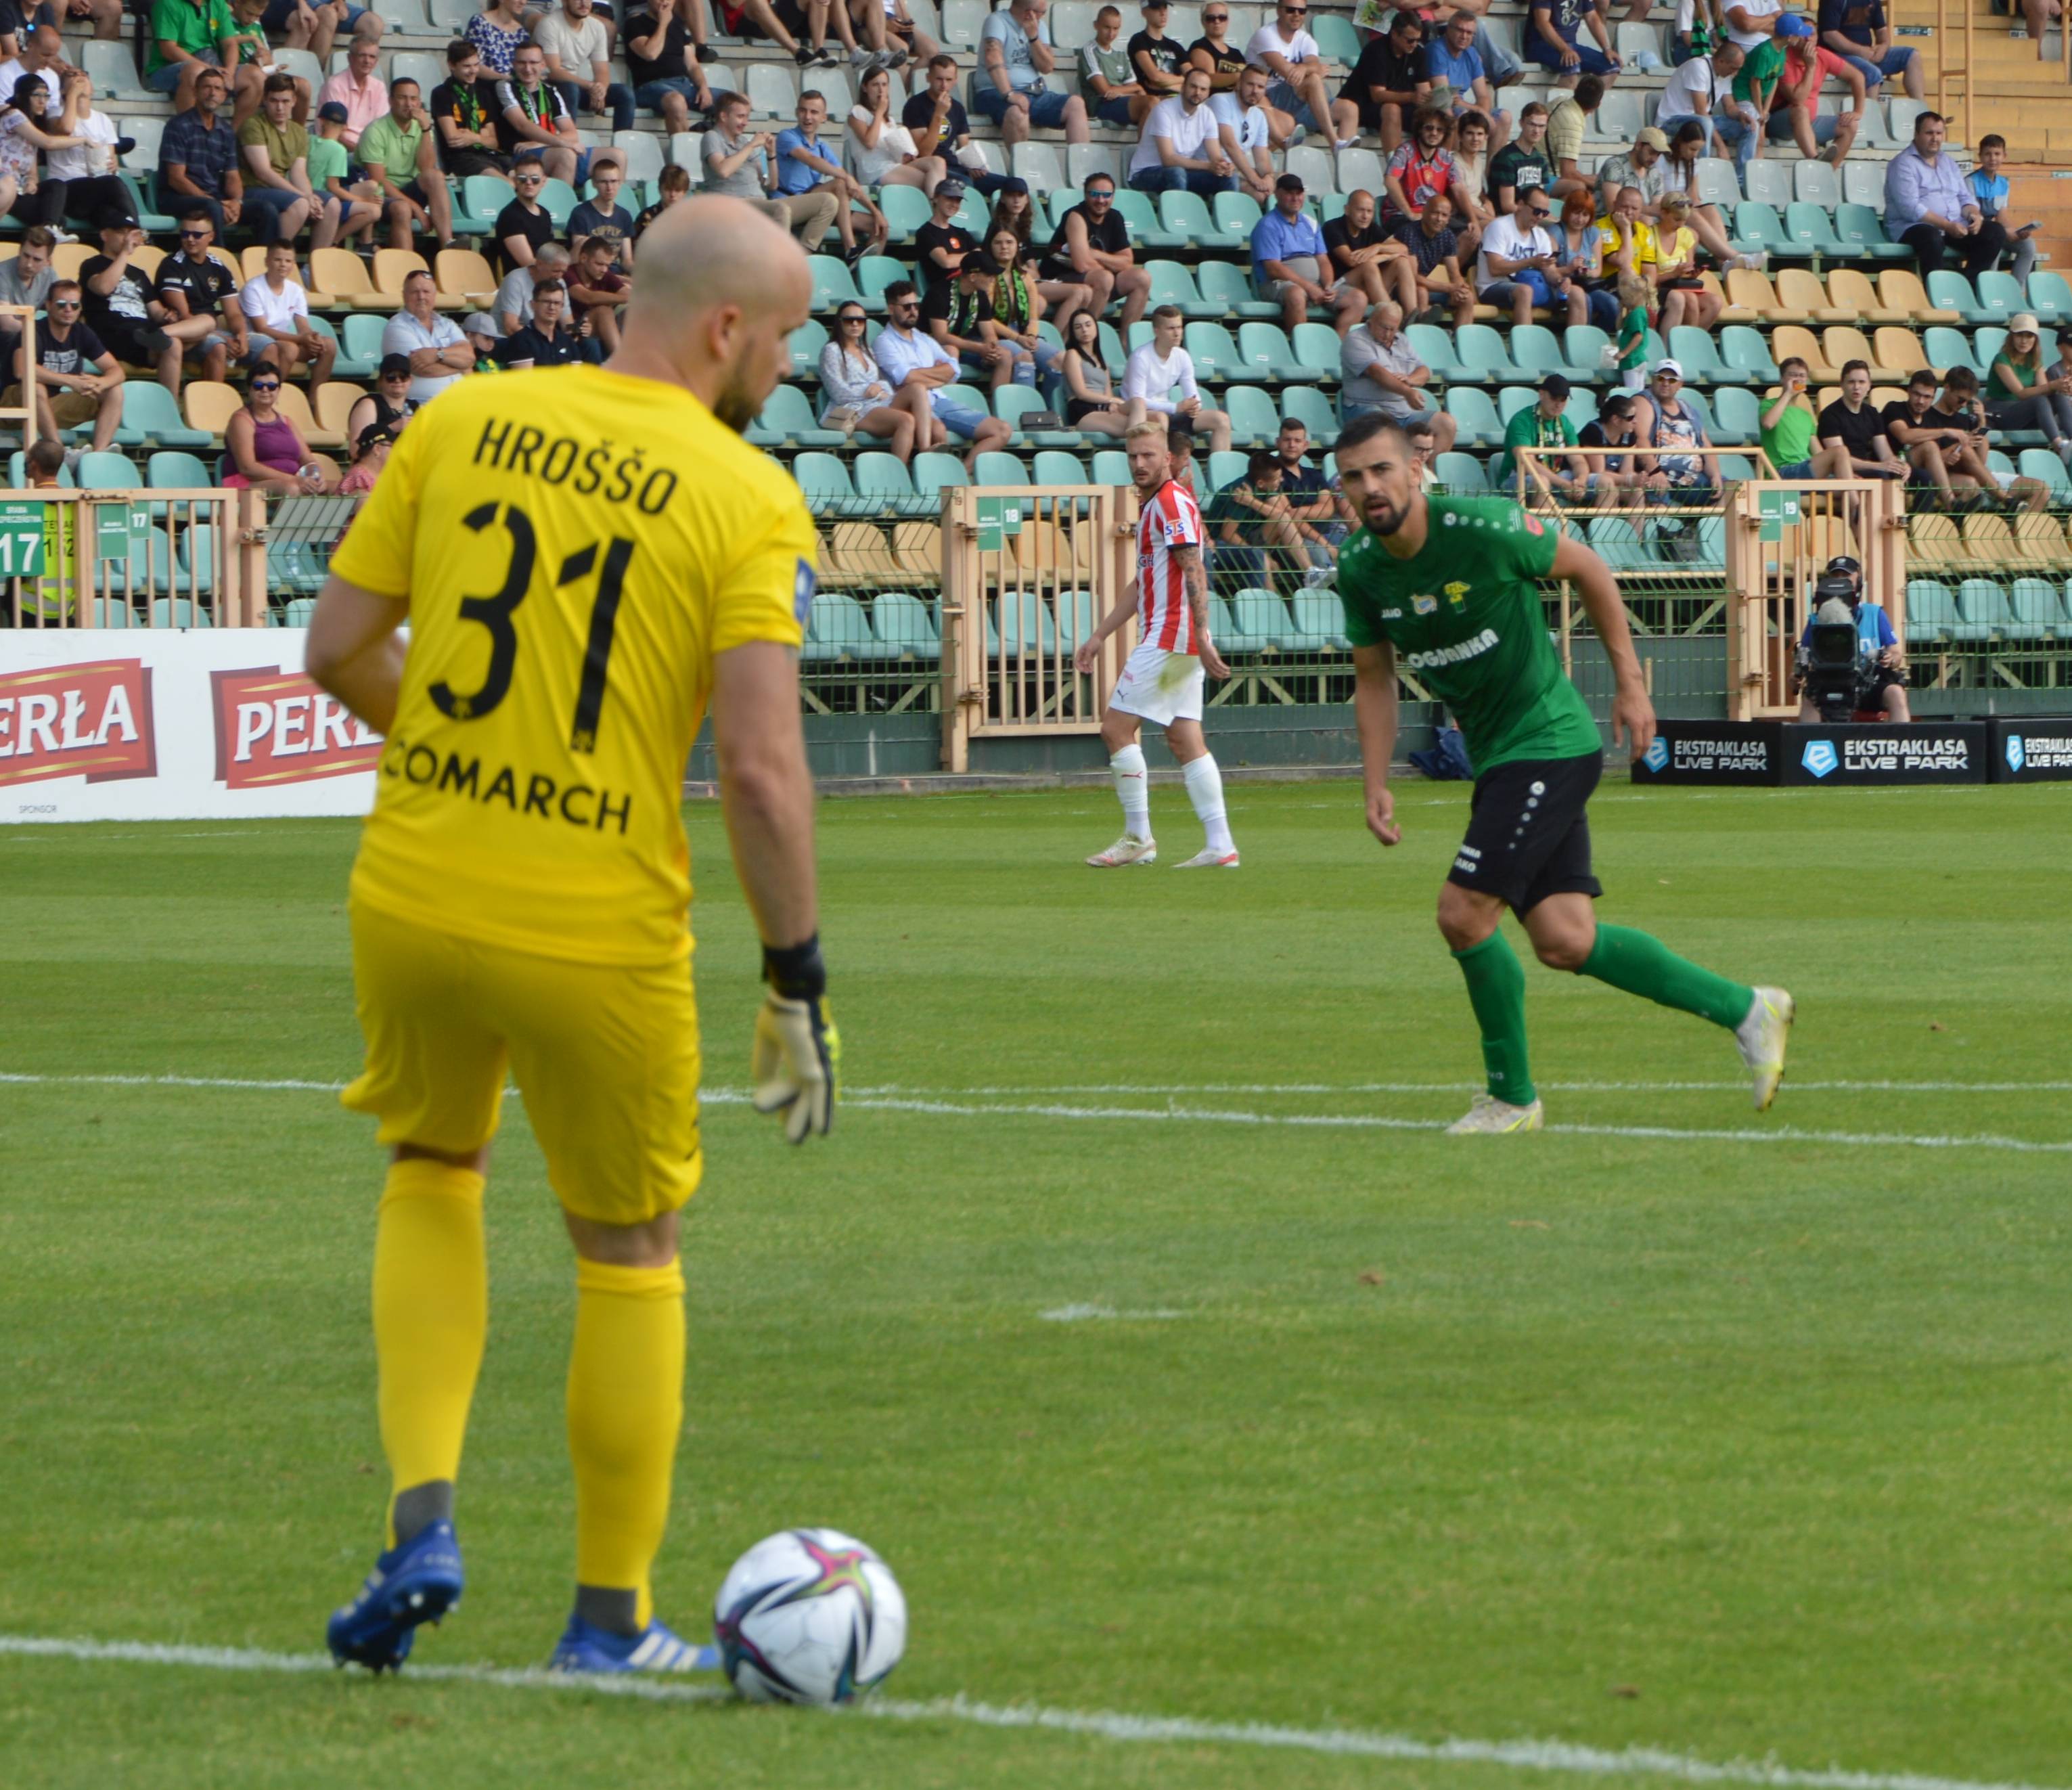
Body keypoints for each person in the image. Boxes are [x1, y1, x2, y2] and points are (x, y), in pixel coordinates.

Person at [307, 192, 836, 1683]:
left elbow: (334, 646)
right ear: (726, 328)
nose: (784, 368)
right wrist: (794, 975)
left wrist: (457, 760)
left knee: (431, 1166)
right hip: (592, 919)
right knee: (630, 1247)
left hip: (411, 887)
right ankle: (611, 1616)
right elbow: (758, 769)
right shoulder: (744, 494)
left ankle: (421, 1518)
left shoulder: (461, 416)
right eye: (784, 338)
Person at [1334, 411, 1792, 1136]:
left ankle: (1511, 1098)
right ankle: (1748, 1008)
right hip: (1501, 758)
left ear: (1414, 470)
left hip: (1547, 741)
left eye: (1381, 469)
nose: (1369, 486)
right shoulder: (1359, 568)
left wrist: (1631, 683)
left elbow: (1587, 567)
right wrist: (1373, 780)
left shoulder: (1482, 528)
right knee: (1564, 938)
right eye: (1353, 476)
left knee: (1461, 913)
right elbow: (1372, 675)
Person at [1073, 419, 1238, 869]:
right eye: (1133, 456)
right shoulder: (1154, 506)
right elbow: (1144, 581)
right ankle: (1220, 844)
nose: (1140, 464)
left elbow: (1195, 568)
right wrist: (1101, 634)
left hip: (1171, 637)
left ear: (1169, 458)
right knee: (1184, 738)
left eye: (1149, 455)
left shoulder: (1169, 502)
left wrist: (1201, 635)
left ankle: (1138, 837)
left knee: (1115, 729)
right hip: (1173, 636)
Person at [871, 277, 1013, 469]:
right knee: (938, 432)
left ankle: (963, 473)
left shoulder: (923, 338)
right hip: (911, 406)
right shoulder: (884, 341)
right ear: (891, 308)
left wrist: (927, 376)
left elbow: (954, 370)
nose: (913, 311)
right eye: (906, 307)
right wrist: (938, 375)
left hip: (941, 400)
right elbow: (906, 378)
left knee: (1002, 430)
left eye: (916, 305)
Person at [82, 217, 205, 397]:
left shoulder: (138, 273)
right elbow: (103, 288)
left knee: (206, 322)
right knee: (174, 344)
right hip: (114, 333)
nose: (126, 238)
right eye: (120, 232)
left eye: (129, 233)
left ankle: (162, 335)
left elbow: (156, 312)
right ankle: (167, 409)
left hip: (146, 333)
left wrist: (167, 316)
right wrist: (125, 253)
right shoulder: (92, 265)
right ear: (104, 235)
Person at [1886, 110, 2006, 280]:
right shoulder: (1903, 164)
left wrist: (1975, 215)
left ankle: (1968, 284)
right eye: (1929, 133)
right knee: (1931, 237)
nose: (1935, 138)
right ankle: (1937, 291)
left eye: (1939, 133)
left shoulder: (1948, 162)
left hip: (1953, 226)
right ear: (1917, 134)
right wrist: (1946, 225)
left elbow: (1965, 197)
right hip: (1914, 227)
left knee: (1995, 231)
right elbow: (1910, 208)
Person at [7, 277, 121, 453]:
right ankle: (60, 453)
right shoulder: (33, 330)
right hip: (15, 404)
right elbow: (22, 371)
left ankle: (97, 456)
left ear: (80, 308)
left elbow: (117, 371)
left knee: (114, 391)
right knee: (36, 388)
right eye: (61, 304)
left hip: (51, 406)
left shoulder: (82, 332)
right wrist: (71, 381)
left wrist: (101, 383)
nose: (68, 309)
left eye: (74, 305)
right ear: (49, 305)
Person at [1794, 556, 1909, 721]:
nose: (1841, 581)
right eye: (1836, 576)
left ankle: (1900, 743)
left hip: (1867, 682)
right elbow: (1803, 654)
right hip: (1829, 682)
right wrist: (1796, 676)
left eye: (1846, 576)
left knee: (1896, 693)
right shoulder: (1815, 620)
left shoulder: (1874, 613)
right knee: (1809, 698)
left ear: (1859, 582)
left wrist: (1891, 659)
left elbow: (1895, 652)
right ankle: (1809, 745)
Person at [1036, 172, 1151, 333]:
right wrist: (1111, 264)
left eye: (1106, 195)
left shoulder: (1115, 217)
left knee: (1142, 278)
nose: (1101, 200)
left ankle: (1126, 342)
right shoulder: (1075, 216)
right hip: (1059, 278)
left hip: (1095, 278)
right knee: (1105, 278)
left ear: (1113, 196)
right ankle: (1086, 338)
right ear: (1085, 195)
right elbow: (1082, 265)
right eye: (1095, 194)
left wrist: (1096, 254)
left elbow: (1127, 261)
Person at [496, 41, 619, 190]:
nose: (528, 69)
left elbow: (572, 134)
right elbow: (522, 125)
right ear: (514, 64)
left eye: (533, 63)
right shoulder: (505, 86)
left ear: (543, 65)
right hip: (520, 154)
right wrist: (560, 143)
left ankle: (611, 212)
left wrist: (543, 143)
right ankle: (560, 209)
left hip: (547, 148)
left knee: (616, 155)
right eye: (522, 63)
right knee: (565, 154)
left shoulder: (550, 91)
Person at [1253, 171, 1364, 335]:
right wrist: (1308, 287)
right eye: (1289, 193)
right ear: (1277, 194)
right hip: (1278, 284)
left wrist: (1328, 285)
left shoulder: (1310, 223)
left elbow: (1323, 260)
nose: (1295, 198)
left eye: (1299, 194)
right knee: (1296, 294)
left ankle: (1337, 347)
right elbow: (1273, 268)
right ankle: (1302, 349)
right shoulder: (1268, 225)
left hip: (1315, 285)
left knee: (1358, 299)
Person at [1341, 298, 1458, 451]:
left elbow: (1424, 370)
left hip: (1404, 411)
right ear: (1371, 321)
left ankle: (1429, 473)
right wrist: (1407, 391)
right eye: (1384, 328)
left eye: (1393, 329)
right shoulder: (1355, 339)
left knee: (1446, 423)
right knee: (1381, 423)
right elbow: (1377, 373)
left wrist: (1410, 379)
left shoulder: (1402, 340)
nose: (1388, 333)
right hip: (1365, 408)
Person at [819, 299, 928, 459]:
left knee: (918, 388)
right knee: (906, 419)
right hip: (852, 409)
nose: (855, 324)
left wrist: (879, 388)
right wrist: (870, 391)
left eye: (861, 320)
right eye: (849, 320)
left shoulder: (866, 350)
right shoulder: (831, 350)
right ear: (840, 323)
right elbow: (838, 392)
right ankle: (899, 475)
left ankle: (926, 450)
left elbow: (882, 382)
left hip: (876, 403)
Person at [777, 89, 878, 260]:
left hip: (817, 204)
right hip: (789, 202)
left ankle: (862, 276)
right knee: (839, 183)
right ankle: (850, 249)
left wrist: (876, 213)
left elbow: (849, 181)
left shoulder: (823, 146)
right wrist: (846, 177)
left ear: (824, 117)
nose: (807, 117)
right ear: (796, 113)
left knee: (877, 226)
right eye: (803, 110)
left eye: (814, 112)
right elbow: (810, 160)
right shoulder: (787, 136)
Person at [357, 76, 456, 250]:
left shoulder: (421, 127)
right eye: (402, 98)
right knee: (403, 209)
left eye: (414, 99)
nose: (409, 104)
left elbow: (426, 168)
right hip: (378, 196)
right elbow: (379, 181)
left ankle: (448, 244)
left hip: (409, 189)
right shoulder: (375, 131)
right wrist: (416, 208)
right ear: (391, 101)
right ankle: (405, 265)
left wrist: (426, 129)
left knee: (435, 176)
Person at [976, 0, 1090, 149]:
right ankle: (1021, 168)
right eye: (1042, 12)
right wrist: (1009, 94)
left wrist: (1033, 38)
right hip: (995, 92)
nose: (1042, 16)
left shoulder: (1039, 26)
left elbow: (1047, 67)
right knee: (1018, 112)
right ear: (1029, 13)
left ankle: (1082, 167)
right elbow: (992, 56)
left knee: (1076, 104)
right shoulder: (997, 21)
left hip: (1035, 92)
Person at [1121, 303, 1232, 450]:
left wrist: (1194, 406)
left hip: (1170, 412)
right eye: (1171, 328)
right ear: (1157, 331)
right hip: (1144, 414)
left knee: (1221, 420)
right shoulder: (1140, 357)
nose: (1177, 333)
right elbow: (1137, 400)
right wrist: (1175, 407)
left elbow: (1192, 393)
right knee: (1160, 418)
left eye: (1179, 327)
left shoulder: (1182, 356)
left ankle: (1221, 471)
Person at [902, 53, 1014, 199]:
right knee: (966, 184)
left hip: (955, 165)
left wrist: (974, 165)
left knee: (1012, 185)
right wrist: (939, 115)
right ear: (928, 78)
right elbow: (924, 152)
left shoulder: (957, 108)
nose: (944, 85)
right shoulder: (915, 105)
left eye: (949, 80)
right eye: (939, 79)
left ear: (955, 80)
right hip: (931, 168)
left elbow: (964, 147)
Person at [158, 66, 246, 238]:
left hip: (214, 198)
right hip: (176, 197)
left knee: (265, 210)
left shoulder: (226, 131)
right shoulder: (178, 126)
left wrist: (236, 202)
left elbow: (233, 175)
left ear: (224, 96)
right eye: (207, 87)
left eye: (218, 88)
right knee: (212, 209)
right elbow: (176, 179)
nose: (212, 93)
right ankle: (217, 262)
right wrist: (212, 202)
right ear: (195, 91)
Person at [1883, 365, 1990, 505]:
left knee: (1971, 484)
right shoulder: (1895, 408)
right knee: (1929, 446)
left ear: (1933, 397)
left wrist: (1981, 422)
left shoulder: (1927, 418)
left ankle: (1956, 521)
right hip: (1895, 468)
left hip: (1924, 473)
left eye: (1927, 397)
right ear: (1908, 392)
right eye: (1917, 394)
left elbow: (1938, 458)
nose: (1921, 401)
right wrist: (1946, 431)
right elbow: (1905, 436)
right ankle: (1950, 503)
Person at [1254, 0, 1358, 144]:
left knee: (1349, 109)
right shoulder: (1265, 35)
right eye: (1291, 10)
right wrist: (1312, 69)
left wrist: (1304, 68)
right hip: (1270, 97)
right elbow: (1288, 72)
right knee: (1314, 80)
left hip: (1299, 97)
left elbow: (1313, 64)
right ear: (1279, 11)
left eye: (1301, 11)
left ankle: (1344, 161)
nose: (1297, 15)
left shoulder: (1304, 39)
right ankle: (1334, 142)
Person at [924, 251, 1027, 393]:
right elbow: (941, 336)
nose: (993, 279)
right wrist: (979, 348)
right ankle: (948, 400)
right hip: (931, 345)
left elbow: (989, 332)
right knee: (951, 350)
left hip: (965, 345)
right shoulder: (939, 293)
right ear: (973, 276)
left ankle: (999, 406)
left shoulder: (980, 294)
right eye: (989, 275)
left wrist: (991, 348)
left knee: (1004, 356)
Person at [235, 70, 318, 245]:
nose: (280, 108)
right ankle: (277, 257)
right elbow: (263, 172)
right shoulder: (254, 125)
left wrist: (310, 196)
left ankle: (312, 267)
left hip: (280, 190)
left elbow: (299, 173)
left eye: (285, 101)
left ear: (294, 101)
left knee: (331, 205)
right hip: (253, 188)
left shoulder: (298, 131)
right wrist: (303, 196)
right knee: (300, 204)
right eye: (274, 101)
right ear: (265, 100)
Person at [240, 240, 336, 391]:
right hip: (260, 340)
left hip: (285, 340)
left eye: (288, 261)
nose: (283, 265)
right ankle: (274, 394)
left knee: (328, 345)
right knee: (290, 349)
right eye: (277, 260)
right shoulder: (253, 288)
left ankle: (315, 401)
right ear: (267, 261)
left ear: (293, 265)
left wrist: (311, 337)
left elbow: (302, 325)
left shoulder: (296, 290)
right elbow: (261, 328)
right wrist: (300, 339)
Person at [1479, 186, 1579, 330]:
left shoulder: (1541, 234)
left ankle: (1575, 348)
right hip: (1493, 286)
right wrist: (1530, 262)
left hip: (1530, 283)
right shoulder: (1499, 227)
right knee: (1525, 291)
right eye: (1537, 211)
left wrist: (1560, 280)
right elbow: (1495, 268)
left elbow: (1549, 270)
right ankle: (1525, 344)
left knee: (1577, 293)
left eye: (1544, 213)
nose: (1540, 217)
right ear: (1520, 205)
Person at [1128, 64, 1235, 198]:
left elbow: (1215, 156)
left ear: (1208, 93)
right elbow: (1168, 159)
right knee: (1176, 173)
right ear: (1183, 87)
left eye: (1203, 89)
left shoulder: (1208, 114)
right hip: (1145, 173)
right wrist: (1208, 166)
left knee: (1229, 178)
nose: (1198, 93)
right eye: (1193, 87)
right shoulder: (1163, 110)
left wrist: (1224, 166)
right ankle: (1178, 217)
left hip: (1182, 173)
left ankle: (1226, 218)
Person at [149, 0, 266, 118]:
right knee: (196, 71)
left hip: (213, 65)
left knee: (256, 76)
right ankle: (189, 133)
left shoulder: (218, 4)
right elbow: (168, 49)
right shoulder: (167, 4)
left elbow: (230, 44)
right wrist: (210, 69)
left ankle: (233, 135)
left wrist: (229, 72)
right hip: (166, 70)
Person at [1770, 13, 1860, 167]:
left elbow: (1858, 77)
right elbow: (1797, 99)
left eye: (1812, 35)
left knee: (1850, 125)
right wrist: (1810, 67)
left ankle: (1826, 173)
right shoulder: (1784, 58)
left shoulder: (1822, 55)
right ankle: (1815, 160)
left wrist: (1858, 111)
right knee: (1800, 110)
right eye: (1804, 35)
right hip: (1780, 122)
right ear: (1794, 38)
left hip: (1809, 124)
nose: (1808, 39)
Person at [700, 90, 796, 234]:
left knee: (827, 202)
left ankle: (806, 251)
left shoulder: (743, 142)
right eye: (741, 117)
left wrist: (771, 155)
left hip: (760, 201)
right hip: (734, 202)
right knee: (780, 210)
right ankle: (781, 256)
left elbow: (770, 184)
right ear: (724, 116)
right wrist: (751, 146)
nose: (746, 123)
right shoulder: (712, 137)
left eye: (747, 117)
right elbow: (723, 170)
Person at [224, 364, 333, 489]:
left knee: (343, 490)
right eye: (258, 386)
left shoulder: (287, 421)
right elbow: (248, 468)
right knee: (293, 489)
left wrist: (317, 477)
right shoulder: (241, 420)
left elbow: (308, 459)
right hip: (248, 484)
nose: (265, 390)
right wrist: (295, 480)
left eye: (271, 387)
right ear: (250, 389)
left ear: (278, 391)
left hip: (292, 481)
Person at [538, 0, 635, 135]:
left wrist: (601, 90)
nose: (584, 3)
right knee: (571, 88)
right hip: (548, 87)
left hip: (577, 86)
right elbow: (554, 72)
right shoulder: (549, 24)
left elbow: (602, 69)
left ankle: (623, 148)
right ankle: (569, 142)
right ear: (564, 2)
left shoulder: (597, 27)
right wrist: (590, 86)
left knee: (625, 93)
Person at [846, 64, 943, 196]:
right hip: (875, 170)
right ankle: (936, 208)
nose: (881, 90)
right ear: (865, 87)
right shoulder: (857, 112)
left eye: (884, 85)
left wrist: (905, 155)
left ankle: (936, 205)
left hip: (893, 165)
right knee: (929, 181)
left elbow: (893, 151)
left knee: (938, 162)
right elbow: (870, 143)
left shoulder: (890, 121)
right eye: (875, 85)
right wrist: (879, 112)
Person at [1987, 313, 2072, 464]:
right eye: (2020, 335)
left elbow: (2044, 388)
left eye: (2029, 336)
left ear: (2035, 339)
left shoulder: (2035, 360)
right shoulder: (2002, 360)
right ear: (2012, 337)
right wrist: (2054, 385)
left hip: (2024, 414)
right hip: (2001, 412)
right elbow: (2020, 393)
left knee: (2057, 395)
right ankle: (2059, 446)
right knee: (2040, 400)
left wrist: (2063, 385)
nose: (2024, 341)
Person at [1342, 8, 1429, 152]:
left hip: (1401, 104)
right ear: (1394, 34)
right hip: (1363, 105)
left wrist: (1437, 99)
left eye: (1418, 40)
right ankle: (1395, 167)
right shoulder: (1376, 51)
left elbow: (1424, 89)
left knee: (1439, 116)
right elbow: (1377, 95)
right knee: (1392, 109)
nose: (1414, 44)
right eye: (1410, 40)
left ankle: (1438, 166)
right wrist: (1412, 97)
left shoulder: (1418, 53)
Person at [622, 0, 713, 135]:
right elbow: (650, 54)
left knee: (735, 103)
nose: (665, 2)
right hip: (649, 87)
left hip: (683, 85)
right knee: (676, 102)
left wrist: (703, 87)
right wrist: (663, 24)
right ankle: (683, 152)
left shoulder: (677, 26)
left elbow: (692, 65)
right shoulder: (635, 23)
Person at [1389, 187, 1477, 328]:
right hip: (1401, 289)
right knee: (1421, 291)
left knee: (1467, 298)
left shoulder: (1447, 236)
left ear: (1449, 218)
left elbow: (1455, 274)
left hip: (1425, 287)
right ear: (1424, 212)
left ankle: (1460, 343)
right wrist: (1449, 288)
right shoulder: (1409, 233)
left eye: (1444, 215)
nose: (1439, 219)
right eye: (1435, 213)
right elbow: (1414, 277)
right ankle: (1422, 329)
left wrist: (1460, 288)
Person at [384, 267, 472, 404]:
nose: (421, 297)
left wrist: (438, 354)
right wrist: (461, 367)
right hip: (421, 405)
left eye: (426, 292)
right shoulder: (397, 326)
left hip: (460, 402)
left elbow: (469, 357)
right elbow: (425, 370)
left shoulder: (447, 324)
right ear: (404, 295)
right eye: (415, 292)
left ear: (435, 295)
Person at [1656, 38, 1754, 162]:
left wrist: (1741, 115)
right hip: (1673, 121)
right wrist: (1721, 146)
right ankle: (1703, 170)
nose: (1736, 73)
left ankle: (1741, 179)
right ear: (1721, 61)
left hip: (1701, 121)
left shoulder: (1726, 75)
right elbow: (1701, 111)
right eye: (1734, 68)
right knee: (1704, 123)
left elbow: (1730, 108)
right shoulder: (1698, 66)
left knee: (1750, 126)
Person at [1493, 370, 1588, 497]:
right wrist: (1564, 485)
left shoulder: (1565, 422)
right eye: (1554, 398)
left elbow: (1578, 461)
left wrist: (1580, 481)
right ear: (1541, 394)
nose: (1558, 404)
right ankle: (1546, 518)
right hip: (1518, 478)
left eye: (1563, 400)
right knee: (1542, 482)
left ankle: (1606, 518)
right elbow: (1528, 465)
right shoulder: (1521, 421)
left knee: (1605, 482)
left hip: (1556, 477)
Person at [0, 70, 72, 231]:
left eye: (46, 96)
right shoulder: (12, 115)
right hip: (4, 190)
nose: (42, 102)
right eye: (36, 96)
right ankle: (51, 228)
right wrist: (83, 140)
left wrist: (31, 182)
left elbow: (32, 173)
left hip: (20, 190)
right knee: (57, 218)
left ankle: (50, 227)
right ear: (22, 96)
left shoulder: (33, 126)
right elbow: (48, 143)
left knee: (56, 185)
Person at [1424, 9, 1508, 146]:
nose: (1464, 36)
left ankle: (1493, 167)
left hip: (1463, 107)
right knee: (1459, 118)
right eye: (1460, 30)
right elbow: (1446, 97)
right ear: (1448, 30)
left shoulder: (1472, 53)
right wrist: (1478, 110)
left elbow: (1483, 96)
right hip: (1439, 108)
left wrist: (1481, 115)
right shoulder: (1436, 50)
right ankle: (1452, 165)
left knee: (1504, 117)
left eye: (1469, 33)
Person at [1205, 447, 1286, 589]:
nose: (1282, 480)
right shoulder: (1240, 492)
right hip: (1219, 544)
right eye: (1277, 478)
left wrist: (1252, 502)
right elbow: (1228, 535)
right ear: (1261, 483)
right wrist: (1262, 555)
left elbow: (1281, 515)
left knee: (1283, 520)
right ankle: (1269, 601)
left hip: (1248, 537)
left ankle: (1309, 570)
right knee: (1259, 556)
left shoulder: (1263, 488)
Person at [1761, 353, 1851, 478]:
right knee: (1841, 451)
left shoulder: (1806, 416)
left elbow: (1818, 452)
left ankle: (1853, 496)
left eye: (1802, 376)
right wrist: (1788, 393)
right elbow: (1768, 423)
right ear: (1782, 378)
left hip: (1805, 469)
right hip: (1781, 471)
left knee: (1852, 484)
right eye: (1792, 375)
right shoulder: (1768, 405)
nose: (1798, 379)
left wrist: (1846, 474)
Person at [1380, 106, 1468, 229]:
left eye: (1440, 130)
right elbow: (1390, 181)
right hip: (1401, 216)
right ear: (1420, 130)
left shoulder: (1446, 157)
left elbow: (1459, 190)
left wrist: (1473, 221)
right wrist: (1409, 213)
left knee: (1468, 235)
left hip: (1434, 217)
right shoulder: (1405, 151)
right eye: (1429, 128)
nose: (1434, 133)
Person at [311, 97, 383, 247]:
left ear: (321, 120)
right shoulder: (339, 150)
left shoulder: (309, 140)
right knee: (374, 211)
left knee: (371, 186)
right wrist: (362, 201)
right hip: (325, 200)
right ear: (345, 127)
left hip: (310, 192)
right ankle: (333, 241)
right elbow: (333, 187)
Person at [985, 226, 1056, 380]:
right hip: (996, 335)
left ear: (1017, 246)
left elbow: (1032, 317)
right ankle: (1023, 404)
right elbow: (986, 318)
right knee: (1025, 359)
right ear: (990, 246)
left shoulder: (1025, 278)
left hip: (1022, 331)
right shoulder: (986, 278)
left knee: (1060, 362)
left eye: (1009, 242)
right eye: (998, 243)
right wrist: (1017, 338)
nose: (1004, 247)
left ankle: (1051, 404)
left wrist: (1030, 335)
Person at [1817, 358, 1904, 480]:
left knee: (1919, 476)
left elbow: (1885, 454)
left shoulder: (1872, 413)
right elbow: (1839, 459)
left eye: (1862, 382)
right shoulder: (1830, 415)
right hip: (1841, 471)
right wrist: (1879, 466)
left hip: (1868, 468)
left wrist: (1900, 466)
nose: (1856, 387)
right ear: (1842, 385)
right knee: (1880, 475)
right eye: (1851, 382)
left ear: (1869, 385)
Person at [1969, 135, 2038, 288]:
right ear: (1980, 156)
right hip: (1977, 232)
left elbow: (2002, 217)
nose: (1992, 158)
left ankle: (2016, 291)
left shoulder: (2003, 183)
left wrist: (2016, 232)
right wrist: (2005, 233)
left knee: (2028, 245)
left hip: (1996, 230)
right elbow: (1972, 215)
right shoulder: (1971, 181)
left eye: (1997, 154)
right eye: (1987, 154)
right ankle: (1990, 291)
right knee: (1995, 242)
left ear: (2004, 156)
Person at [1326, 187, 1412, 310]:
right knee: (1368, 267)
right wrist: (1386, 256)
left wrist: (1378, 247)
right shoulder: (1333, 227)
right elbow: (1352, 261)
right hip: (1340, 288)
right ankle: (1389, 315)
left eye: (1369, 211)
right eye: (1360, 210)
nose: (1365, 216)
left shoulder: (1371, 228)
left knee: (1402, 262)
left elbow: (1403, 249)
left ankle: (1412, 316)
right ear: (1347, 210)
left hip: (1369, 286)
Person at [1816, 0, 1921, 99]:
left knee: (1912, 56)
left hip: (1867, 55)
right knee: (1873, 73)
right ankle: (1869, 116)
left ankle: (1923, 114)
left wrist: (1883, 47)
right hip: (1837, 55)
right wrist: (1861, 51)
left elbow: (1882, 30)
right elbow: (1829, 35)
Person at [1213, 62, 1282, 207]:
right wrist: (1255, 180)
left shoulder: (1259, 116)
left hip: (1239, 171)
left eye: (1261, 87)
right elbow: (1230, 145)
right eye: (1250, 84)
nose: (1255, 91)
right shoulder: (1220, 100)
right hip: (1217, 170)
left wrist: (1268, 178)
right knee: (1259, 195)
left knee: (1289, 183)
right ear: (1238, 85)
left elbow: (1262, 160)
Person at [1575, 388, 1660, 503]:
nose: (1635, 421)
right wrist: (1630, 479)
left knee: (1638, 492)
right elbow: (1599, 472)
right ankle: (1603, 521)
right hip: (1586, 481)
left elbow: (1627, 470)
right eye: (1630, 418)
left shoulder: (1629, 435)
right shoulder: (1594, 432)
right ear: (1615, 420)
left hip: (1612, 482)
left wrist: (1640, 479)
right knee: (1610, 488)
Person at [1551, 189, 1618, 332]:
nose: (1580, 219)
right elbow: (1548, 270)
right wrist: (1569, 268)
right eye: (1576, 213)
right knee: (1585, 300)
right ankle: (1579, 341)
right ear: (1567, 211)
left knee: (1612, 304)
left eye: (1585, 215)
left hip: (1586, 283)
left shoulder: (1593, 233)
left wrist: (1585, 271)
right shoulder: (1555, 232)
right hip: (1561, 284)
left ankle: (1596, 338)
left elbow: (1597, 270)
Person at [1652, 194, 1718, 332]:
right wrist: (1673, 274)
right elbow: (1648, 277)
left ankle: (1690, 340)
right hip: (1658, 286)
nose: (1681, 225)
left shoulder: (1686, 235)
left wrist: (1691, 274)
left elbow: (1688, 267)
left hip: (1679, 285)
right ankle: (1686, 344)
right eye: (1677, 219)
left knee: (1715, 303)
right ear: (1664, 213)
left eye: (1684, 220)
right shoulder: (1650, 235)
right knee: (1691, 300)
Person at [1081, 3, 1151, 127]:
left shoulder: (1121, 54)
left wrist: (1124, 91)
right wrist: (1137, 89)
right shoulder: (1089, 50)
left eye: (1116, 28)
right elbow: (1105, 91)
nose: (1111, 33)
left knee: (1158, 104)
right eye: (1107, 27)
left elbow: (1134, 87)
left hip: (1121, 101)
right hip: (1100, 105)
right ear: (1096, 25)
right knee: (1150, 104)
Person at [493, 275, 588, 366]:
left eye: (557, 303)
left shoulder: (567, 341)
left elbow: (576, 378)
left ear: (562, 307)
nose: (552, 307)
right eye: (546, 302)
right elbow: (526, 380)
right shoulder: (521, 340)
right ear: (533, 304)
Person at [1060, 307, 1126, 434]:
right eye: (1078, 327)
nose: (1084, 330)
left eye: (1088, 325)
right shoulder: (1072, 354)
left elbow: (1108, 393)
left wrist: (1112, 404)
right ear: (1073, 332)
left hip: (1103, 407)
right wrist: (1111, 400)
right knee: (1131, 428)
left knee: (1143, 412)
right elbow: (1081, 393)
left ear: (1096, 327)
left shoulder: (1101, 361)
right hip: (1083, 409)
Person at [317, 34, 386, 150]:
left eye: (372, 57)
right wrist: (361, 153)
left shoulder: (379, 87)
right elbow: (333, 132)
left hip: (370, 151)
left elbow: (382, 128)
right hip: (337, 149)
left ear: (376, 61)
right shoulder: (335, 85)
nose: (367, 61)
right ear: (350, 58)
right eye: (362, 56)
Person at [1527, 0, 1623, 83]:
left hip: (1570, 46)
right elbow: (1542, 23)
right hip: (1541, 45)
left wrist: (1607, 49)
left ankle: (1587, 103)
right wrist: (1564, 49)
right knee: (1571, 63)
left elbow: (1592, 18)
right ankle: (1564, 104)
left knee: (1611, 67)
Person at [0, 222, 54, 362]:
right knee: (16, 339)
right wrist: (41, 334)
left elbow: (61, 306)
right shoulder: (2, 273)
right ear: (19, 251)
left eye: (37, 260)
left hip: (27, 332)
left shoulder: (50, 275)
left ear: (48, 262)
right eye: (26, 256)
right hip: (6, 334)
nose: (29, 264)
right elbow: (6, 323)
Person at [568, 234, 629, 354]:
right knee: (603, 311)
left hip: (594, 328)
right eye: (599, 264)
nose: (604, 270)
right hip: (569, 329)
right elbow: (587, 297)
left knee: (630, 311)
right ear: (584, 258)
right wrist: (625, 298)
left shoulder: (604, 274)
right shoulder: (569, 274)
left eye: (608, 265)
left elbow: (627, 293)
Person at [1542, 73, 1600, 199]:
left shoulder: (1561, 100)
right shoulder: (1572, 123)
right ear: (1598, 105)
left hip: (1540, 169)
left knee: (1596, 179)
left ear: (1575, 91)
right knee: (1580, 190)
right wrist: (1596, 185)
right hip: (1543, 177)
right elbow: (1568, 173)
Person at [569, 158, 637, 266]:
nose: (609, 187)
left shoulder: (624, 216)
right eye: (604, 182)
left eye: (614, 181)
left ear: (620, 183)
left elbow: (627, 260)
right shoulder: (581, 213)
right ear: (594, 183)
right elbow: (579, 258)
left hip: (617, 274)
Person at [913, 175, 976, 288]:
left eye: (958, 201)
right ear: (936, 198)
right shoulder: (925, 233)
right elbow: (946, 262)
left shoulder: (961, 232)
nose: (954, 204)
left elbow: (982, 257)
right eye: (949, 198)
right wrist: (973, 256)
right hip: (943, 291)